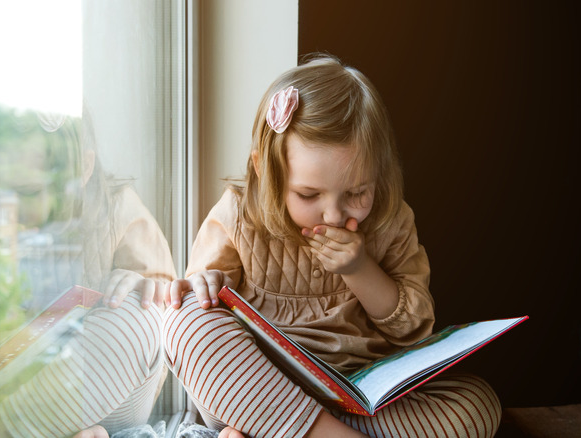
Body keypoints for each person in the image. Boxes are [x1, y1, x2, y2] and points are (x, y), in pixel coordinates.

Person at [163, 54, 501, 437]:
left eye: (357, 192)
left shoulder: (392, 220)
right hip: (260, 389)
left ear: (379, 173)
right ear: (264, 170)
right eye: (309, 194)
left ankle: (300, 431)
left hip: (357, 395)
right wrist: (206, 282)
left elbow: (415, 331)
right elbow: (205, 289)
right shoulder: (241, 214)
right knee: (183, 317)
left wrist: (360, 270)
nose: (334, 215)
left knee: (476, 404)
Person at [0, 108, 177, 437]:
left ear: (85, 168)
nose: (19, 206)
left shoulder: (117, 208)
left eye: (32, 192)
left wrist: (144, 289)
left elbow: (168, 306)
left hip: (102, 386)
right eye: (6, 190)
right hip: (21, 382)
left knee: (141, 319)